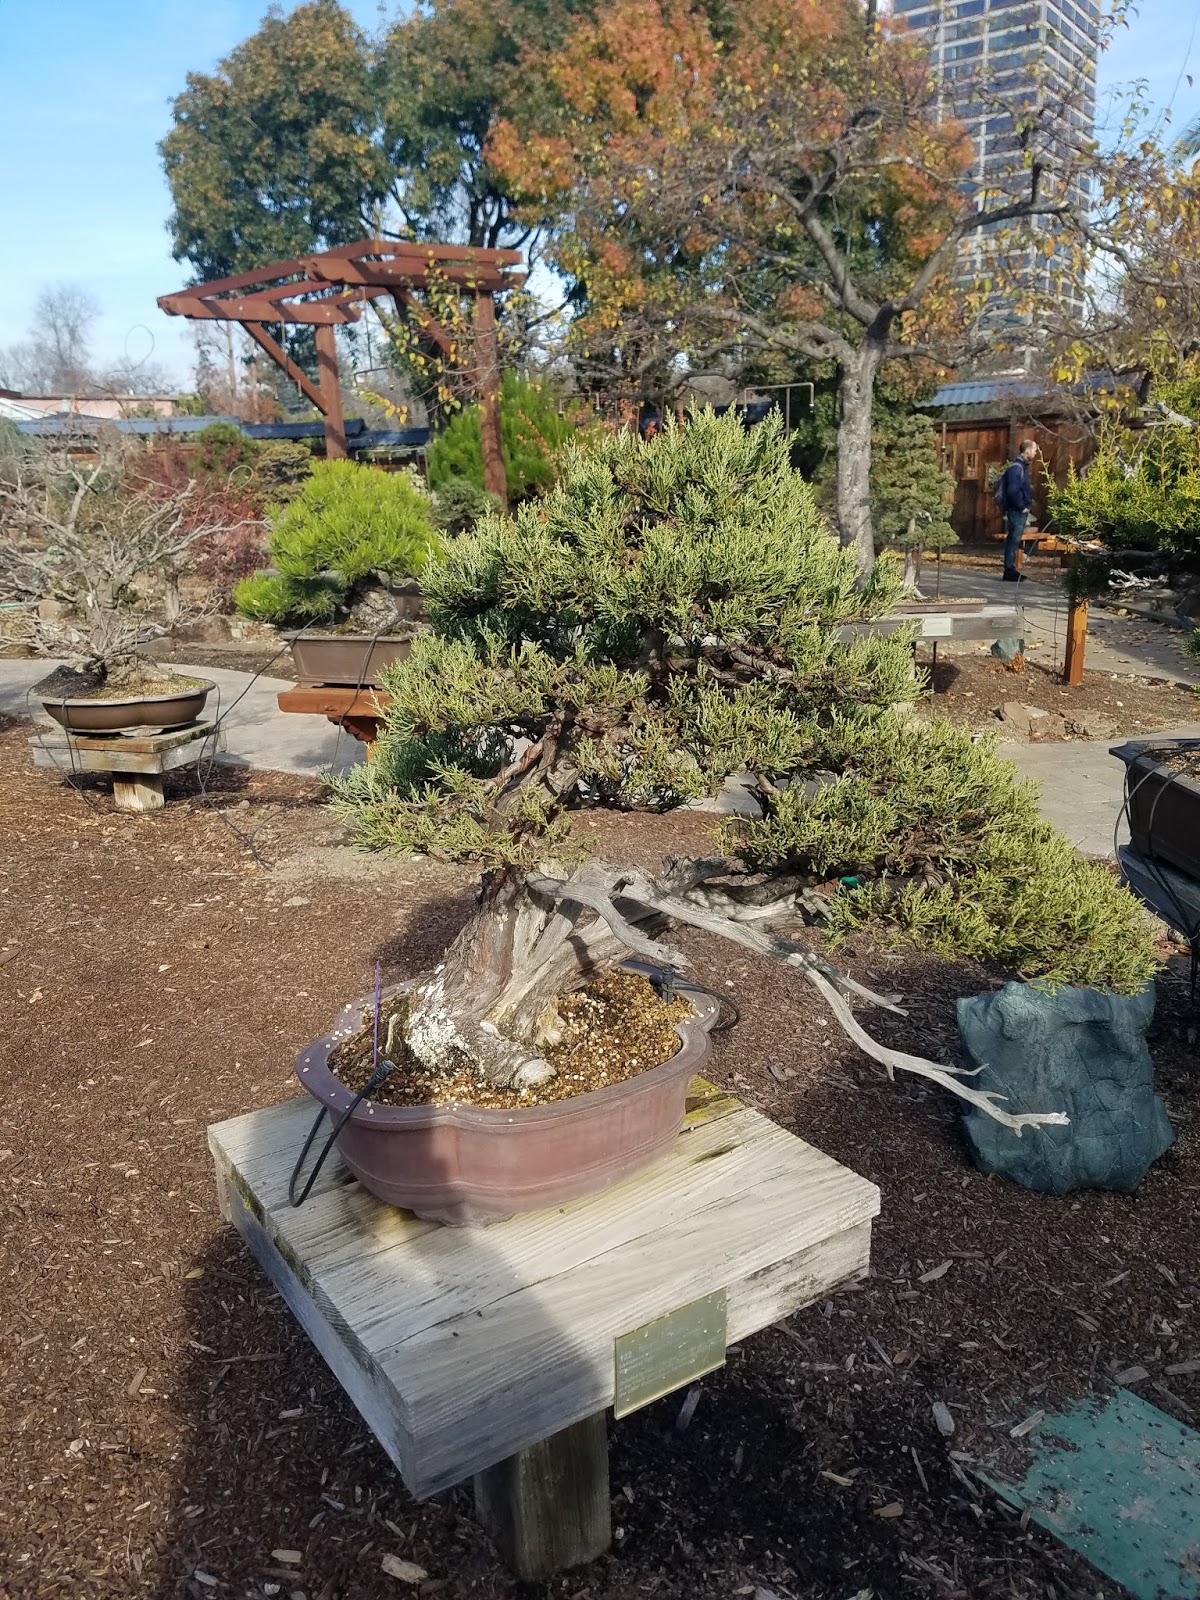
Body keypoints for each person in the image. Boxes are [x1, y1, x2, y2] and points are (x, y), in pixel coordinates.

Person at [996, 439, 1039, 581]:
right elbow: (1013, 490)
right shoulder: (1016, 468)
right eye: (1034, 450)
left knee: (1014, 540)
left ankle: (1011, 569)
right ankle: (1009, 570)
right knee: (1013, 540)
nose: (1035, 453)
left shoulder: (1020, 467)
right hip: (1016, 511)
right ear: (1027, 451)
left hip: (1017, 510)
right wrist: (1022, 507)